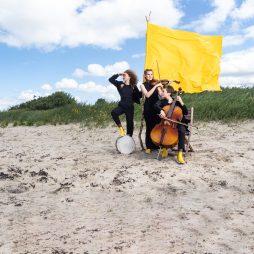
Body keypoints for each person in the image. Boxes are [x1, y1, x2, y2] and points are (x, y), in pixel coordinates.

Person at [154, 86, 189, 164]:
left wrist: (181, 101)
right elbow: (155, 106)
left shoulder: (176, 101)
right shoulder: (162, 102)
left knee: (182, 130)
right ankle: (164, 148)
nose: (162, 93)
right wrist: (160, 111)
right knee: (162, 131)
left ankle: (179, 154)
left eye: (163, 91)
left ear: (169, 93)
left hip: (176, 123)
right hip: (165, 122)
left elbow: (186, 112)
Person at [109, 70, 141, 137]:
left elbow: (139, 95)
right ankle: (121, 129)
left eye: (125, 75)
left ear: (129, 77)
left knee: (130, 123)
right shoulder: (120, 84)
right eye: (123, 75)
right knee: (114, 112)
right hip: (122, 106)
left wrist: (143, 89)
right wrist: (118, 74)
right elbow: (111, 79)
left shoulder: (133, 86)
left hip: (130, 107)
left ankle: (129, 137)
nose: (123, 77)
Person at [140, 69, 164, 153]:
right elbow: (147, 95)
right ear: (145, 76)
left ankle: (158, 145)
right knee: (149, 127)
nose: (150, 76)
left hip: (156, 108)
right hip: (148, 108)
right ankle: (149, 146)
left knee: (158, 127)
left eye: (151, 74)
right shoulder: (142, 85)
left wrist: (163, 88)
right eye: (148, 74)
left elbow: (161, 95)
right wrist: (156, 86)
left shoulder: (157, 84)